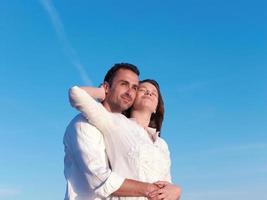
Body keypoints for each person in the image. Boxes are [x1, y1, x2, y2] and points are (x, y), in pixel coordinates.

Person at [64, 63, 172, 200]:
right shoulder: (98, 123)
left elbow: (167, 184)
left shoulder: (159, 143)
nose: (129, 91)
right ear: (107, 86)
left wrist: (175, 190)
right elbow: (100, 179)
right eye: (124, 84)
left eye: (134, 87)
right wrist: (102, 92)